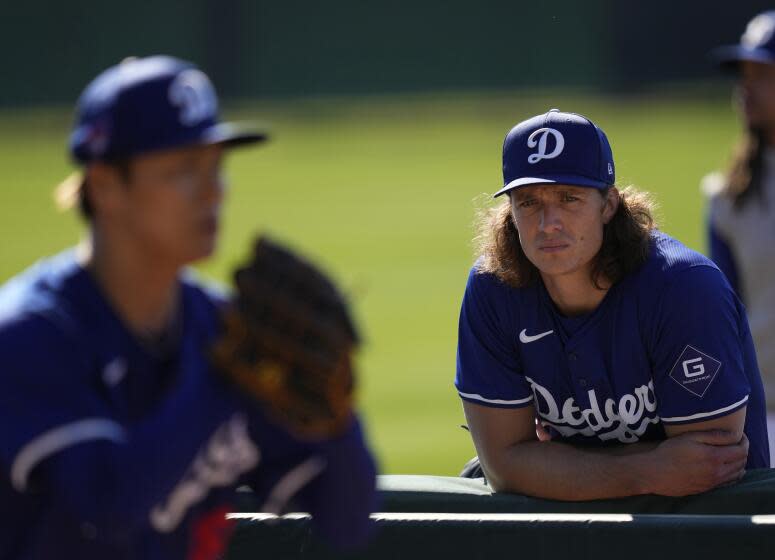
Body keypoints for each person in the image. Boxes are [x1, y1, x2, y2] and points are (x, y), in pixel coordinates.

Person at [0, 56, 377, 559]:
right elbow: (106, 508)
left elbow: (346, 520)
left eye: (215, 166)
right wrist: (223, 382)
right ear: (106, 185)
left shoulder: (217, 326)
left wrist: (334, 419)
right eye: (181, 170)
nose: (213, 190)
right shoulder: (33, 337)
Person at [455, 109, 769, 501]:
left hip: (711, 532)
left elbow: (706, 467)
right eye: (529, 201)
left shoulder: (683, 288)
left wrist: (547, 461)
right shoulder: (493, 289)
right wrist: (644, 469)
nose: (548, 222)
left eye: (569, 198)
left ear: (608, 205)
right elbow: (503, 467)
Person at [704, 10, 775, 467]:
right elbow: (727, 319)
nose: (746, 87)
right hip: (765, 411)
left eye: (763, 74)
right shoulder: (726, 198)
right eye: (743, 75)